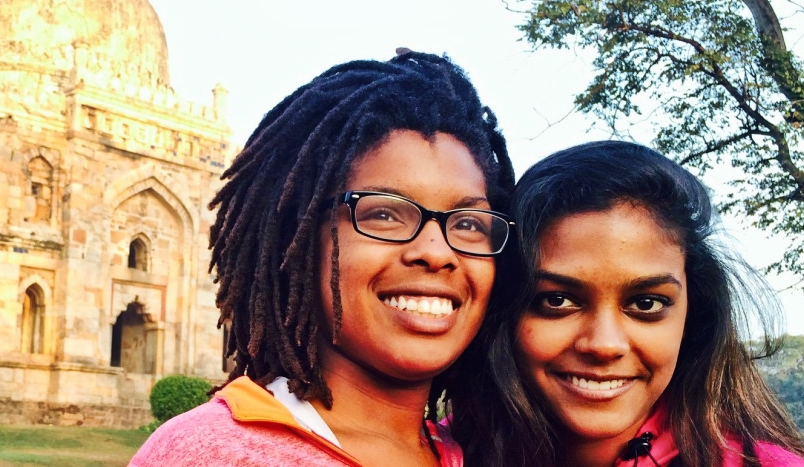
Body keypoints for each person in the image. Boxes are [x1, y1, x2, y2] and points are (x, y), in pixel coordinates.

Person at [129, 50, 516, 467]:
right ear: (298, 238)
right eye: (384, 213)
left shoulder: (488, 451)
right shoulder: (210, 454)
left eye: (468, 223)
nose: (437, 252)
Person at [449, 140, 804, 467]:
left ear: (694, 313)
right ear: (504, 313)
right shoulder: (433, 454)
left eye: (646, 304)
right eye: (558, 300)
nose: (605, 345)